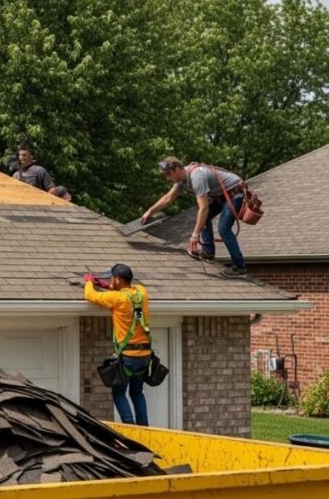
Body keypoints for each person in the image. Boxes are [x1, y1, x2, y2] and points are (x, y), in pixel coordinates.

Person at [142, 156, 247, 278]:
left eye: (169, 174)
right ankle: (208, 251)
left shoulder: (197, 177)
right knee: (203, 217)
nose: (168, 178)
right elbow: (168, 198)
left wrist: (195, 235)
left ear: (177, 169)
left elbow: (204, 208)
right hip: (221, 195)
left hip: (235, 192)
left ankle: (240, 267)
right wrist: (150, 211)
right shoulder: (182, 180)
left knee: (223, 228)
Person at [84, 263, 152, 426]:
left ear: (118, 279)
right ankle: (144, 429)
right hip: (145, 356)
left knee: (119, 392)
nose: (110, 280)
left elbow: (91, 296)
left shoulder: (117, 299)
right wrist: (107, 285)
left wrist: (88, 281)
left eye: (112, 278)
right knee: (137, 393)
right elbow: (128, 291)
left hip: (128, 357)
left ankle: (129, 428)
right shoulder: (142, 292)